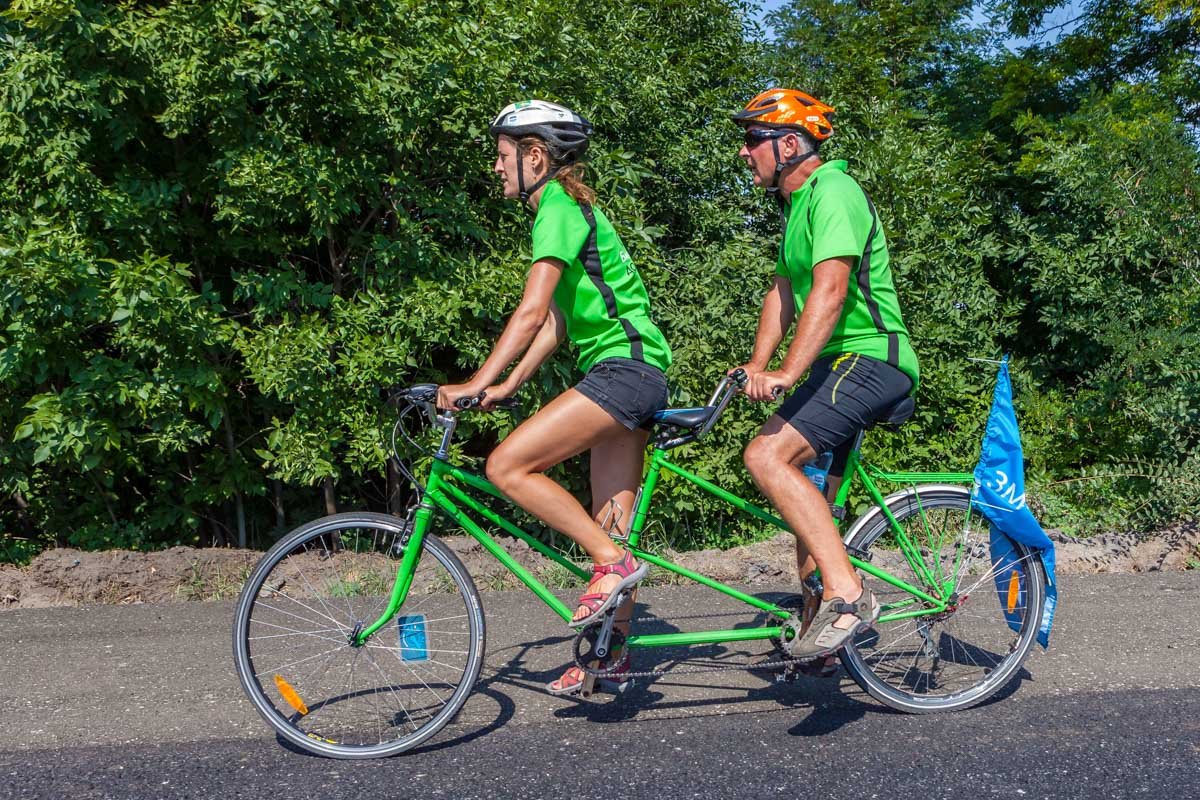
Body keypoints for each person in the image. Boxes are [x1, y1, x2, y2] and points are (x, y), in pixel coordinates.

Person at [438, 100, 673, 694]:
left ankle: (611, 565)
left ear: (534, 155)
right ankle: (609, 654)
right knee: (611, 523)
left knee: (507, 465)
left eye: (501, 155)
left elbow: (531, 309)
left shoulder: (558, 209)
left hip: (624, 372)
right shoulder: (569, 211)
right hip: (631, 371)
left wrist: (470, 382)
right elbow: (557, 323)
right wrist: (507, 384)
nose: (496, 167)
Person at [729, 88, 920, 660]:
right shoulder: (798, 207)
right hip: (841, 364)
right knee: (812, 503)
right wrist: (758, 364)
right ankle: (823, 636)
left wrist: (788, 370)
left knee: (766, 457)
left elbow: (831, 290)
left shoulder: (834, 190)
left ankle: (849, 593)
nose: (745, 153)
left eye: (752, 140)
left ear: (788, 144)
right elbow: (784, 293)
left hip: (868, 357)